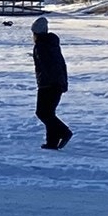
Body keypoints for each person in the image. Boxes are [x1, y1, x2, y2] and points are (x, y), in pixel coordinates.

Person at [30, 16, 72, 150]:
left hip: (48, 84)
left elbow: (47, 66)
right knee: (49, 113)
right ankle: (52, 142)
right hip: (56, 82)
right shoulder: (51, 44)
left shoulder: (41, 46)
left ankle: (64, 132)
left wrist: (46, 82)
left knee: (42, 112)